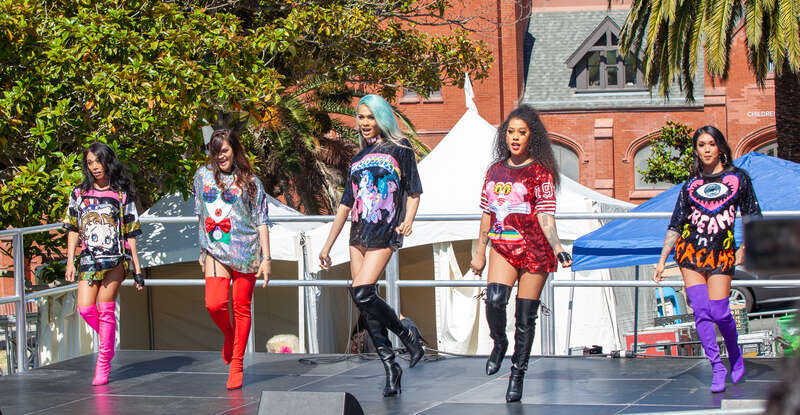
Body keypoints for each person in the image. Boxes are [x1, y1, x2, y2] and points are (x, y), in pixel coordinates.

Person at [318, 94, 425, 397]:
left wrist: (409, 220)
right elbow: (345, 203)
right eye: (361, 117)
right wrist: (328, 245)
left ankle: (406, 333)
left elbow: (414, 191)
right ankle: (391, 367)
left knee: (363, 291)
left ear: (381, 118)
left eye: (370, 117)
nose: (365, 123)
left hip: (385, 229)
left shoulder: (401, 148)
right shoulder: (356, 159)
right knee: (363, 300)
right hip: (358, 233)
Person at [470, 105, 572, 403]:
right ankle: (499, 342)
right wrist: (479, 253)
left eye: (522, 133)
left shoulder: (541, 172)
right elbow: (487, 215)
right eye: (510, 132)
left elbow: (546, 218)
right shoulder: (494, 170)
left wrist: (558, 246)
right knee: (496, 300)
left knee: (525, 316)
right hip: (502, 244)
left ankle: (517, 374)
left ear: (532, 137)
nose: (515, 138)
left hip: (535, 250)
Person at [654, 125, 761, 393]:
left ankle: (735, 351)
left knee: (720, 311)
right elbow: (676, 222)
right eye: (701, 145)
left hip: (721, 252)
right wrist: (662, 258)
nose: (707, 149)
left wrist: (747, 246)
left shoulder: (738, 178)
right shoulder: (691, 184)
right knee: (701, 311)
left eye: (711, 143)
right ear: (697, 150)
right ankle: (716, 366)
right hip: (690, 253)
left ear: (720, 146)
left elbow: (752, 214)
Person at [194, 128, 271, 390]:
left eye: (224, 150)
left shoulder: (251, 182)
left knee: (241, 308)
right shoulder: (202, 177)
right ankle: (228, 335)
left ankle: (237, 363)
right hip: (215, 250)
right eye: (215, 152)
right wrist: (202, 250)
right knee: (214, 304)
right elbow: (200, 214)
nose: (220, 156)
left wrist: (266, 259)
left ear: (234, 150)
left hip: (246, 252)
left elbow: (261, 221)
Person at [63, 142, 145, 386]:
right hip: (89, 259)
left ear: (108, 162)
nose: (95, 167)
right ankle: (108, 344)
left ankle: (103, 364)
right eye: (90, 163)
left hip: (116, 259)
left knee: (105, 308)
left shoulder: (122, 194)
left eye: (98, 161)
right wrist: (70, 262)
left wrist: (138, 270)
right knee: (85, 309)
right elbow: (73, 229)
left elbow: (131, 233)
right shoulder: (79, 194)